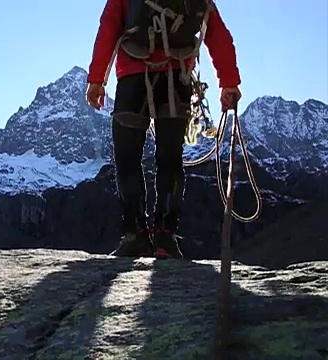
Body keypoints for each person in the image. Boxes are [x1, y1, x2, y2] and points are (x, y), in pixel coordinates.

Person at [85, 0, 242, 259]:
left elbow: (109, 27)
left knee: (127, 158)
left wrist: (97, 79)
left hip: (133, 80)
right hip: (177, 79)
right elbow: (216, 32)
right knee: (170, 159)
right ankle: (165, 238)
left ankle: (135, 234)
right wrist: (229, 82)